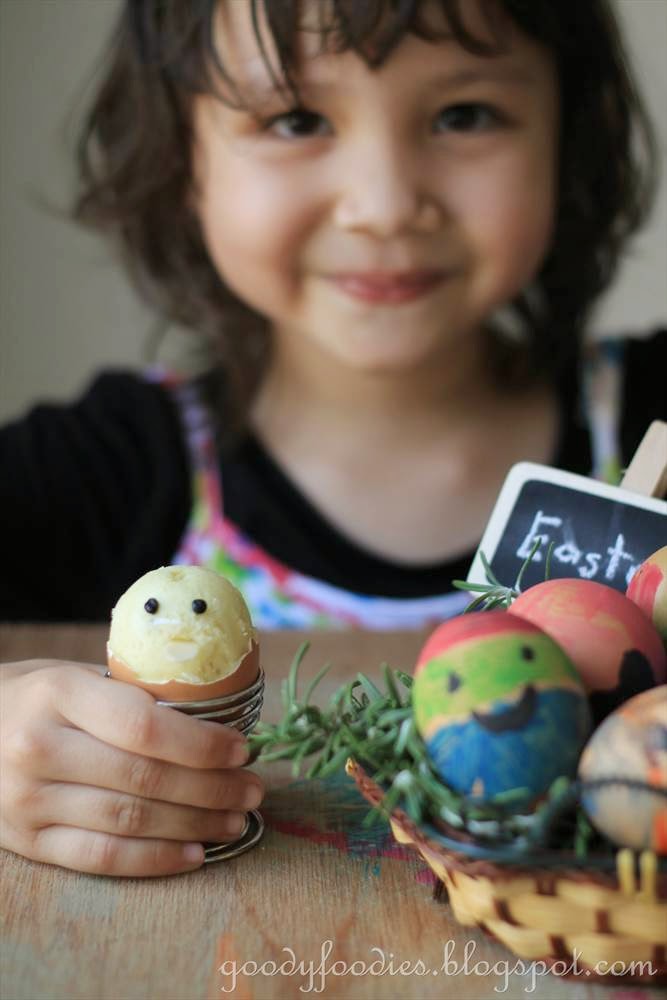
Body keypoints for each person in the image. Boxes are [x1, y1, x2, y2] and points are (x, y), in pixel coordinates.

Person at [0, 0, 664, 876]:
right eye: (295, 120)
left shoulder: (654, 420)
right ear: (182, 156)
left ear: (569, 136)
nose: (384, 206)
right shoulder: (104, 466)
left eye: (463, 114)